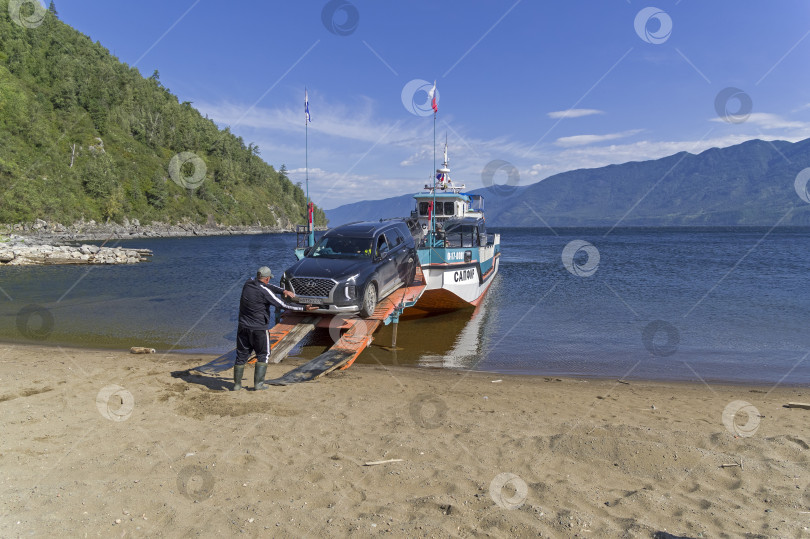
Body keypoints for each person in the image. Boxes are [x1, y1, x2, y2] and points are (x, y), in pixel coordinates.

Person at [233, 266, 317, 391]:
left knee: (241, 355)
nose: (269, 281)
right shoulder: (264, 292)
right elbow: (283, 304)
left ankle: (236, 385)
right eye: (268, 279)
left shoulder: (248, 282)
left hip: (243, 327)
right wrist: (304, 308)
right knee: (264, 354)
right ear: (267, 279)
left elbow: (268, 286)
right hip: (259, 329)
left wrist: (283, 291)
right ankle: (259, 384)